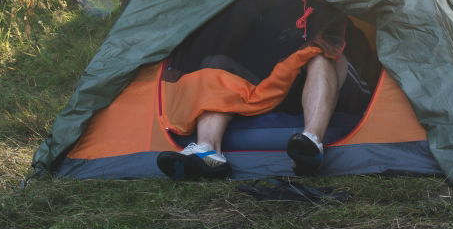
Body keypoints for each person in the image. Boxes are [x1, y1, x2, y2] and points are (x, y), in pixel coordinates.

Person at [157, 49, 368, 180]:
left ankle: (311, 142)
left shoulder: (329, 7)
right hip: (281, 85)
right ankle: (209, 151)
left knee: (322, 55)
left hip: (331, 83)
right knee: (216, 63)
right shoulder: (273, 11)